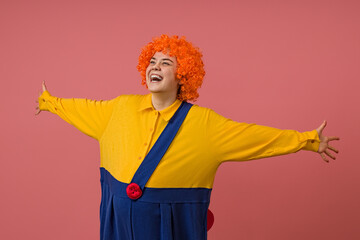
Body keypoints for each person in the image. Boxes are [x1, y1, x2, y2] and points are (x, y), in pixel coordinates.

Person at [35, 34, 339, 240]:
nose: (156, 66)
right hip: (117, 217)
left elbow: (255, 137)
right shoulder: (119, 108)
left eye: (166, 62)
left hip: (172, 222)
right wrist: (49, 102)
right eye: (152, 62)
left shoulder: (205, 124)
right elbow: (80, 109)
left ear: (183, 75)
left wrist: (308, 140)